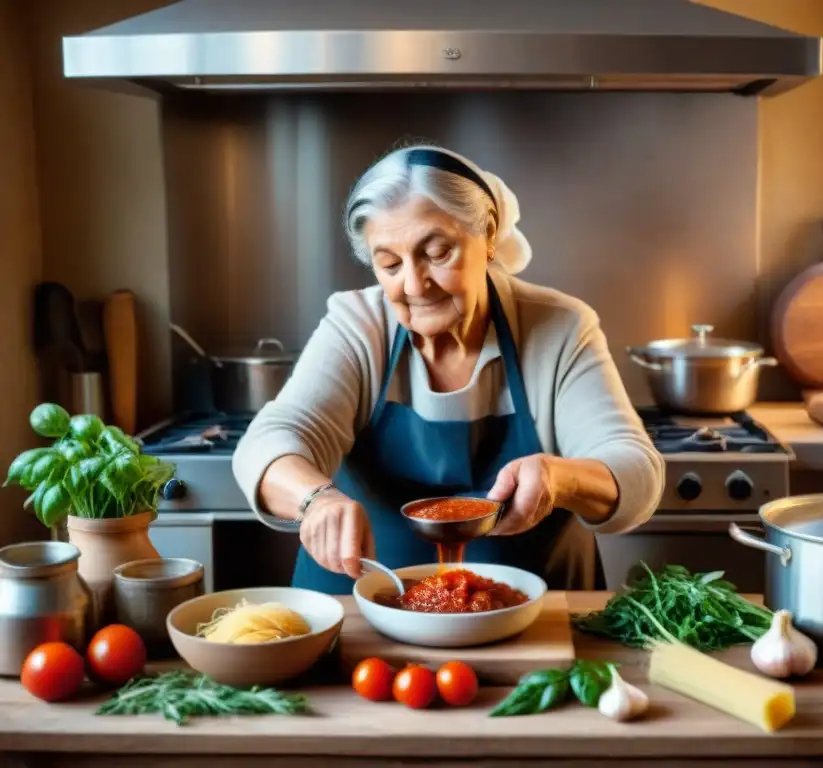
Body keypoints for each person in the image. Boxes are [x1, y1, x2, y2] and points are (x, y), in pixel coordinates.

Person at [231, 144, 665, 595]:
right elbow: (271, 440)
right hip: (368, 609)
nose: (415, 285)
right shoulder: (358, 325)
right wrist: (315, 499)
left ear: (489, 234)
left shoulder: (558, 327)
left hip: (534, 616)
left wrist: (560, 478)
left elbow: (635, 471)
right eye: (390, 264)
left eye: (438, 253)